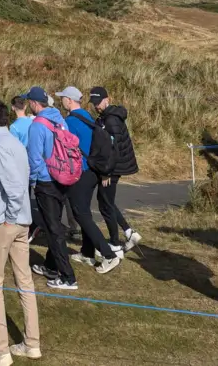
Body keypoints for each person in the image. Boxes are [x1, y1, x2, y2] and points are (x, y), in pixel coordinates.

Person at [0, 99, 41, 365]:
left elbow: (14, 186)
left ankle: (0, 351)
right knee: (25, 281)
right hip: (21, 220)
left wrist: (8, 217)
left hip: (6, 221)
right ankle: (31, 343)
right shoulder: (14, 142)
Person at [55, 87, 120, 274]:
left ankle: (108, 255)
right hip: (92, 171)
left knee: (80, 213)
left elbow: (65, 148)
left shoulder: (70, 121)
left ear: (69, 100)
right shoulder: (88, 117)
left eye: (63, 98)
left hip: (80, 171)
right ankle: (87, 251)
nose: (61, 102)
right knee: (84, 212)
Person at [23, 86, 77, 291]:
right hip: (63, 177)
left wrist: (33, 182)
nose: (29, 105)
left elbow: (35, 159)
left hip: (46, 182)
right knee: (53, 225)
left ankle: (68, 276)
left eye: (30, 102)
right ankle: (52, 265)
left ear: (35, 104)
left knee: (54, 230)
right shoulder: (59, 119)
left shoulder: (37, 125)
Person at [89, 86, 142, 253]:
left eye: (98, 102)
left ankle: (114, 242)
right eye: (94, 103)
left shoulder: (111, 120)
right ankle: (129, 233)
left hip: (112, 169)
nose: (96, 105)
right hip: (113, 167)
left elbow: (113, 149)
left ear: (107, 99)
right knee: (107, 202)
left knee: (105, 204)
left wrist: (106, 173)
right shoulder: (107, 117)